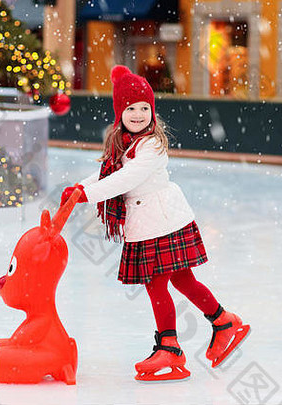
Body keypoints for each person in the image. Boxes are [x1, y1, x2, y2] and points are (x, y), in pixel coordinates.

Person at [60, 65, 250, 382]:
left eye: (144, 108)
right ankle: (223, 321)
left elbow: (127, 178)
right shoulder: (122, 142)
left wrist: (88, 195)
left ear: (152, 110)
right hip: (150, 220)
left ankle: (170, 347)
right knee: (182, 281)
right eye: (131, 108)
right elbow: (108, 174)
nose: (138, 114)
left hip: (161, 221)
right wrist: (80, 188)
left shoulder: (152, 145)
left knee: (157, 283)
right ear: (120, 112)